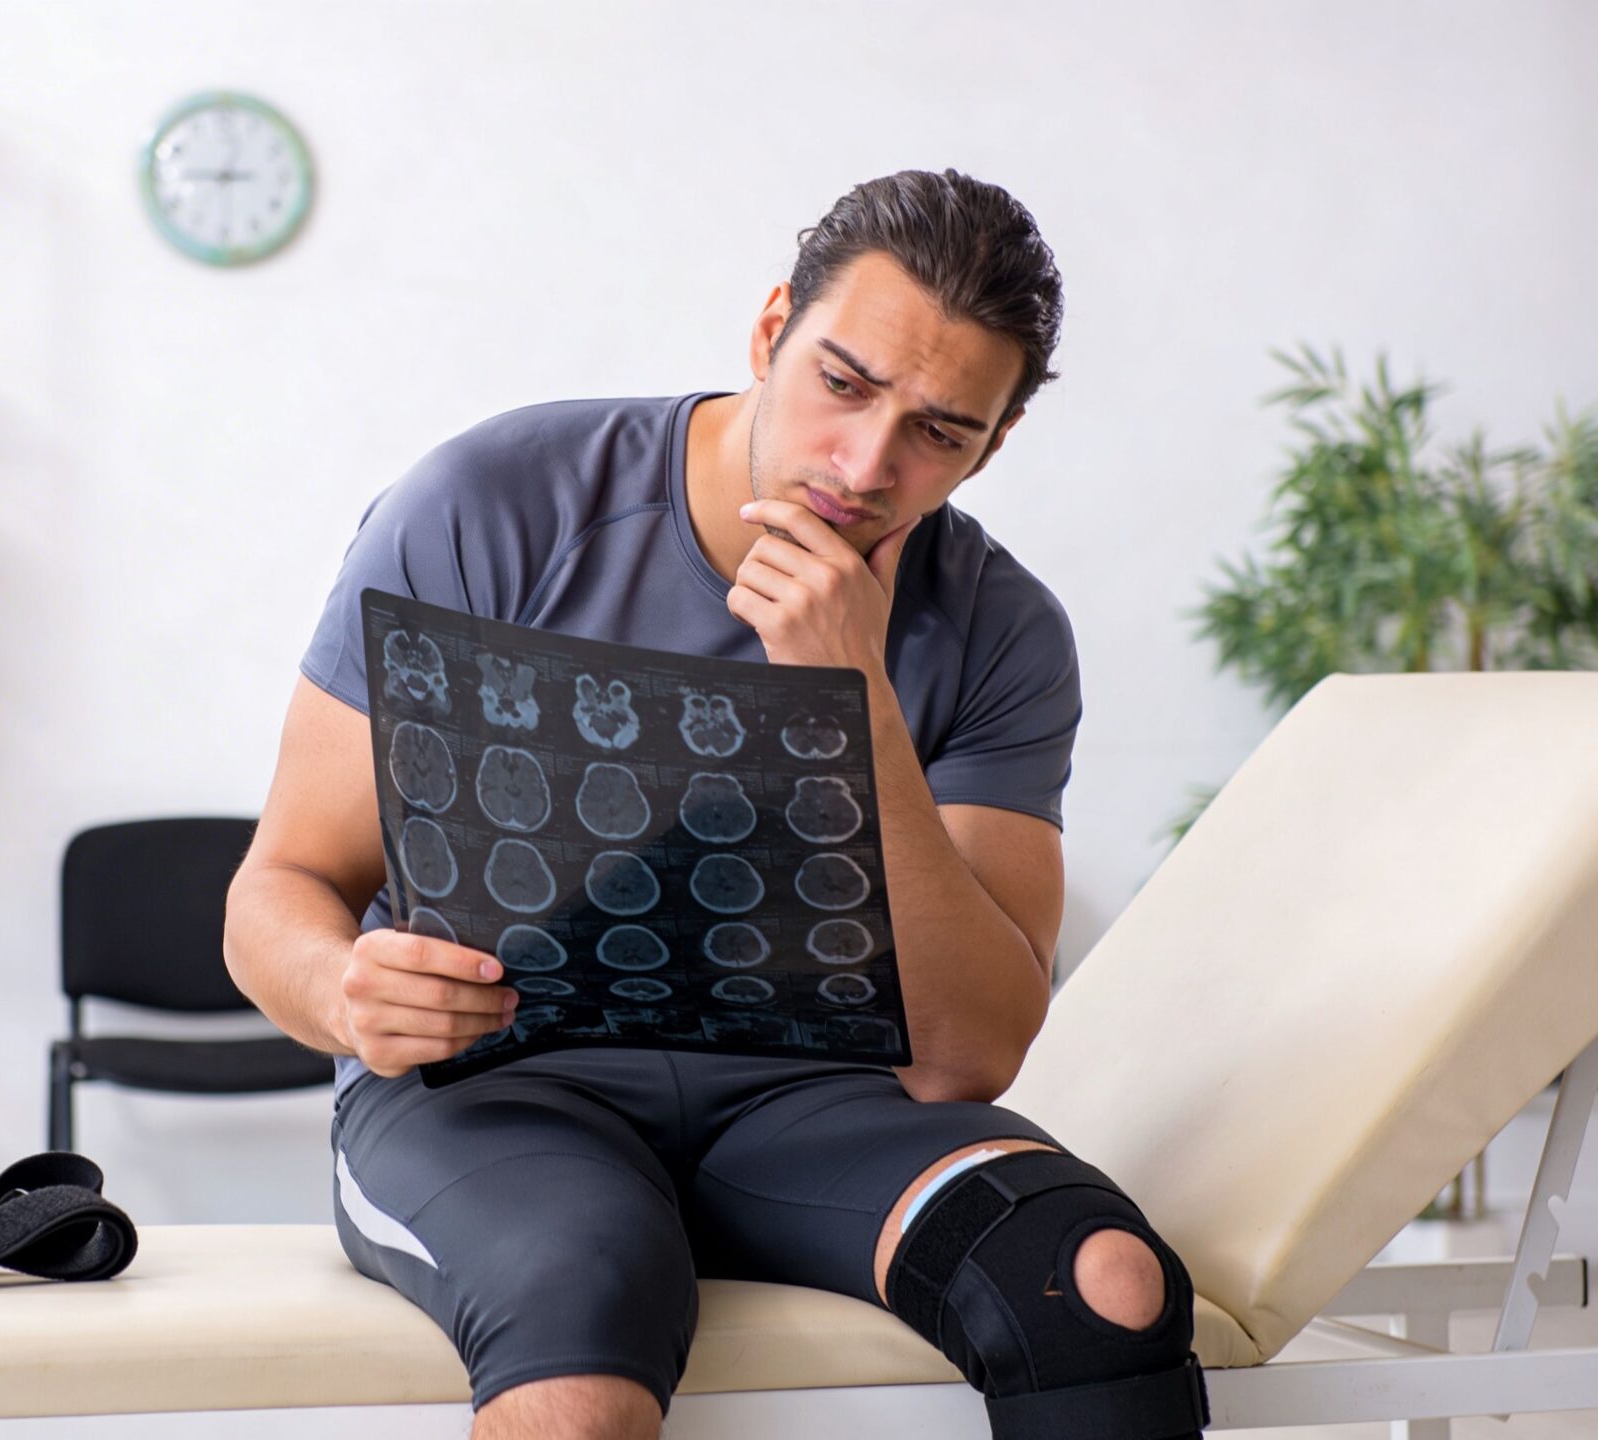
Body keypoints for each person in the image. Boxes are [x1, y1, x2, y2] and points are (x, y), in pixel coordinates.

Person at [228, 169, 1207, 1440]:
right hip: (498, 1092)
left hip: (815, 1108)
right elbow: (279, 888)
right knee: (576, 1364)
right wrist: (342, 991)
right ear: (768, 332)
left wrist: (850, 694)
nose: (865, 465)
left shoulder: (1001, 630)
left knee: (1100, 1285)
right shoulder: (496, 505)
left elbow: (971, 1052)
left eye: (939, 434)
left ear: (994, 443)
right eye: (842, 385)